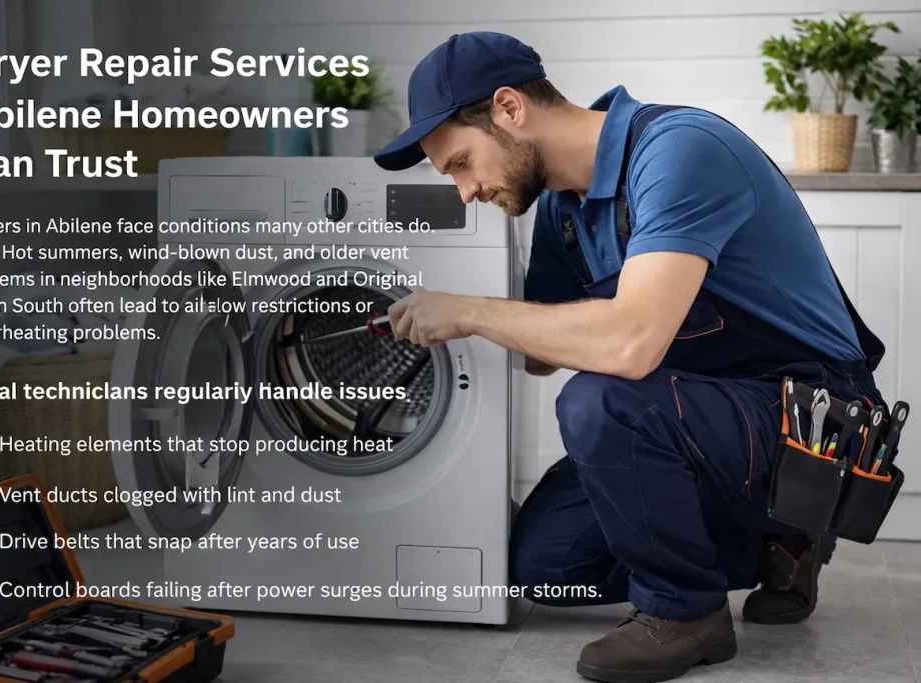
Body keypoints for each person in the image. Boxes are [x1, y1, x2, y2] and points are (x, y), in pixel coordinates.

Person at [373, 31, 886, 682]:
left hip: (819, 427)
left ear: (508, 108)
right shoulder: (562, 210)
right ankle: (769, 542)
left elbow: (629, 343)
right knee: (544, 567)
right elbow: (539, 354)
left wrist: (470, 309)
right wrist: (448, 321)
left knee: (601, 397)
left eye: (460, 164)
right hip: (708, 420)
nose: (465, 191)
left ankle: (687, 612)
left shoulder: (680, 151)